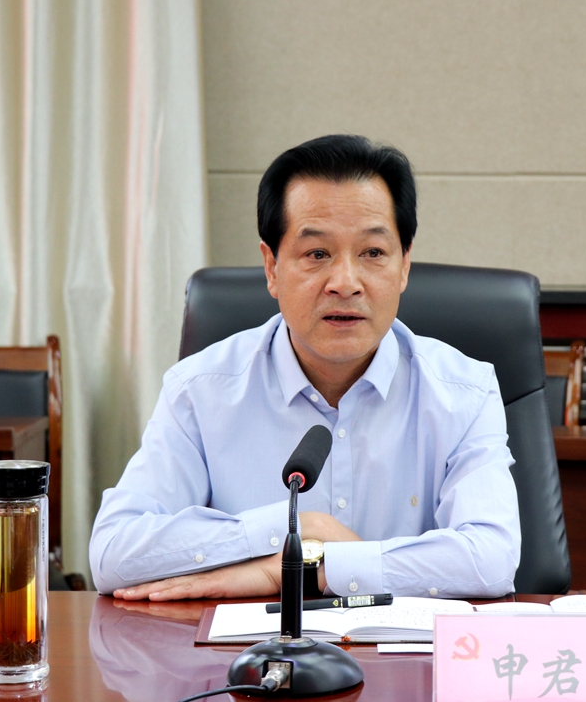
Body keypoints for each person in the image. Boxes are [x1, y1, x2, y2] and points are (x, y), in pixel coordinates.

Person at [90, 134, 520, 601]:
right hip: (250, 646)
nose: (345, 283)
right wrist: (296, 526)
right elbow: (114, 553)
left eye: (373, 253)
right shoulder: (200, 390)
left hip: (404, 649)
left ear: (404, 266)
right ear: (271, 267)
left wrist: (307, 567)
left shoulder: (465, 393)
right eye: (317, 254)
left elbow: (492, 559)